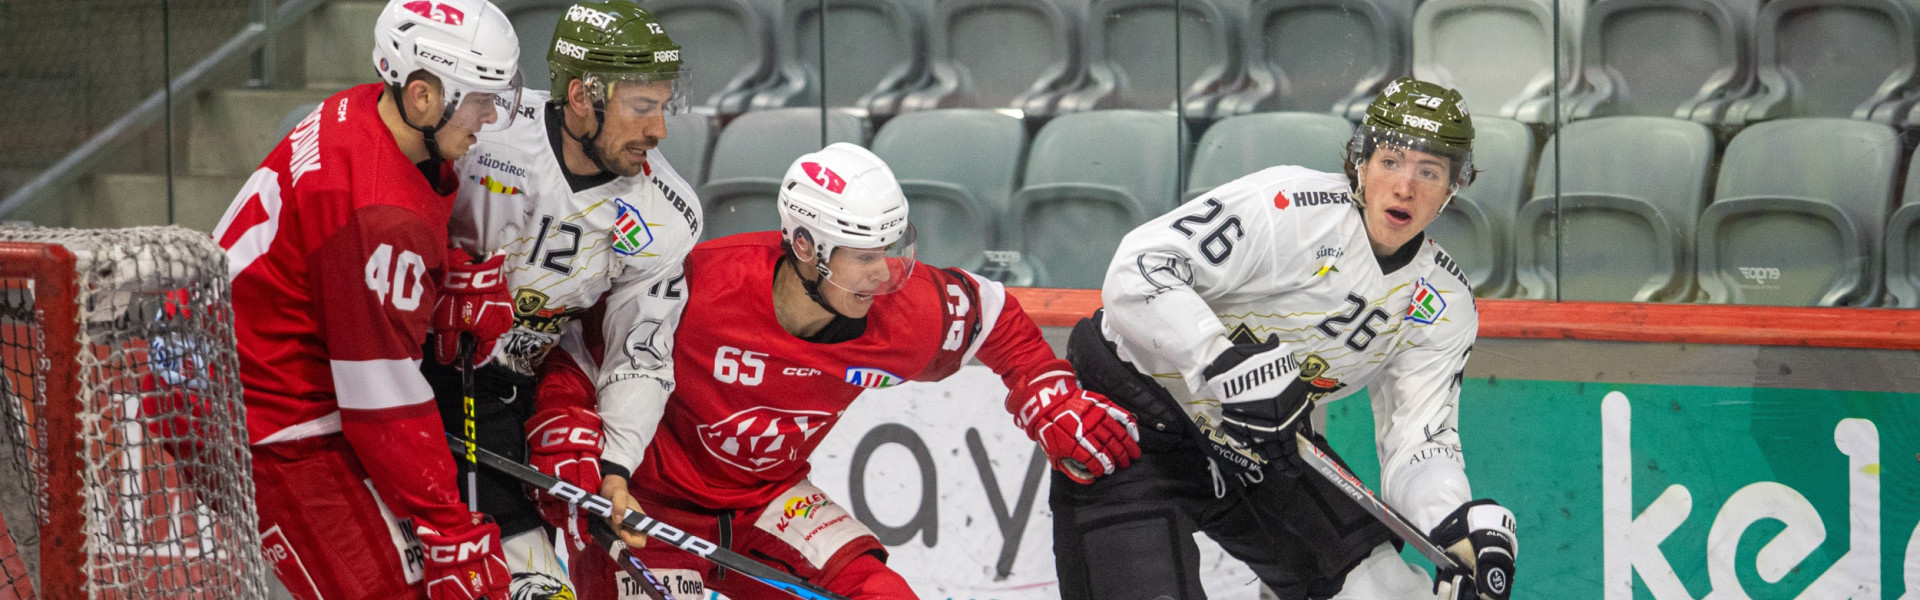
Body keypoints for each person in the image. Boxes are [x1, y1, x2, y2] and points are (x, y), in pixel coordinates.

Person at [541, 142, 1142, 600]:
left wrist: (1046, 392)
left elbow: (993, 316)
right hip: (647, 510)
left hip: (769, 498)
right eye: (865, 257)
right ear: (805, 246)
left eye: (892, 249)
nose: (884, 275)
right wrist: (571, 454)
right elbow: (576, 354)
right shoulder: (695, 287)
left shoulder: (895, 309)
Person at [1050, 78, 1518, 600]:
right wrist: (1220, 360)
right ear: (1360, 162)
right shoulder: (1287, 209)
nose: (1405, 187)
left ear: (1453, 187)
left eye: (1429, 172)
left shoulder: (1442, 301)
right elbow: (1137, 271)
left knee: (1391, 594)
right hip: (1134, 429)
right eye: (1391, 161)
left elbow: (1419, 445)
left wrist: (1453, 521)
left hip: (1264, 451)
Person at [209, 0, 524, 598]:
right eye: (482, 98)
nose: (489, 117)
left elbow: (334, 261)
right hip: (266, 417)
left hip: (266, 374)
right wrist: (448, 528)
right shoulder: (379, 217)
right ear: (425, 96)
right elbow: (382, 404)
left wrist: (440, 279)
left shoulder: (365, 109)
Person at [430, 1, 699, 597]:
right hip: (397, 384)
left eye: (663, 106)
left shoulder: (667, 215)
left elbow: (640, 353)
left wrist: (614, 466)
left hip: (498, 405)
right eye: (642, 107)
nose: (658, 131)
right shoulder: (484, 129)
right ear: (582, 95)